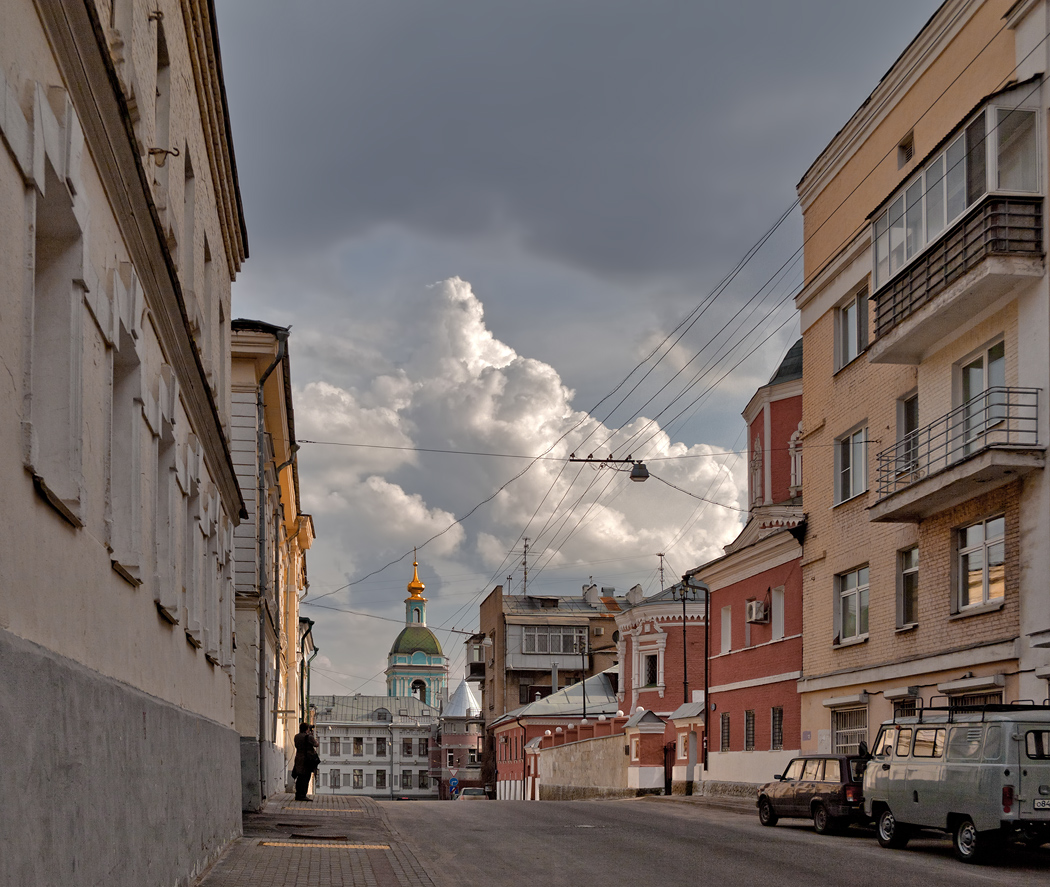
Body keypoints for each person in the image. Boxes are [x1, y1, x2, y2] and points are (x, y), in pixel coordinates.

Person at [292, 722, 319, 801]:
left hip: (298, 758)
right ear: (307, 729)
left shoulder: (296, 736)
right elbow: (316, 744)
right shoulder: (308, 737)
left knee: (299, 777)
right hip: (307, 759)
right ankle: (303, 795)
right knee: (306, 777)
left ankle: (298, 794)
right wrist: (312, 735)